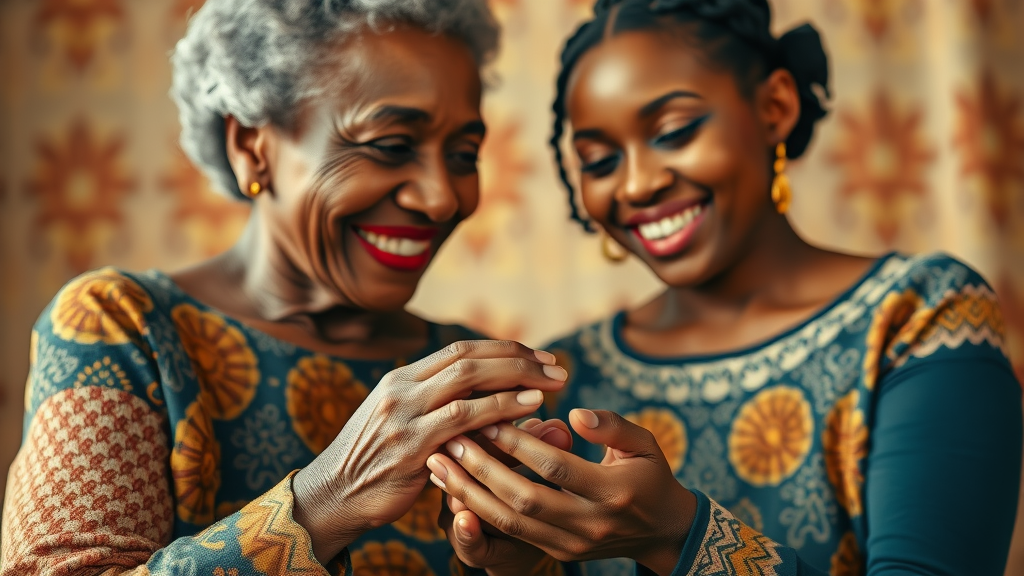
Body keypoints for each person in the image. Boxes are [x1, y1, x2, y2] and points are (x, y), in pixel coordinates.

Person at [426, 1, 1024, 575]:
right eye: (601, 161)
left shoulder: (921, 315)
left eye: (674, 131)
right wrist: (522, 563)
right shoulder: (561, 375)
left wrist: (680, 538)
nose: (636, 184)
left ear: (775, 106)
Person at [0, 1, 574, 575]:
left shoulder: (466, 375)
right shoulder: (124, 325)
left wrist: (520, 563)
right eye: (391, 144)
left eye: (463, 155)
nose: (442, 197)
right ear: (252, 145)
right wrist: (332, 497)